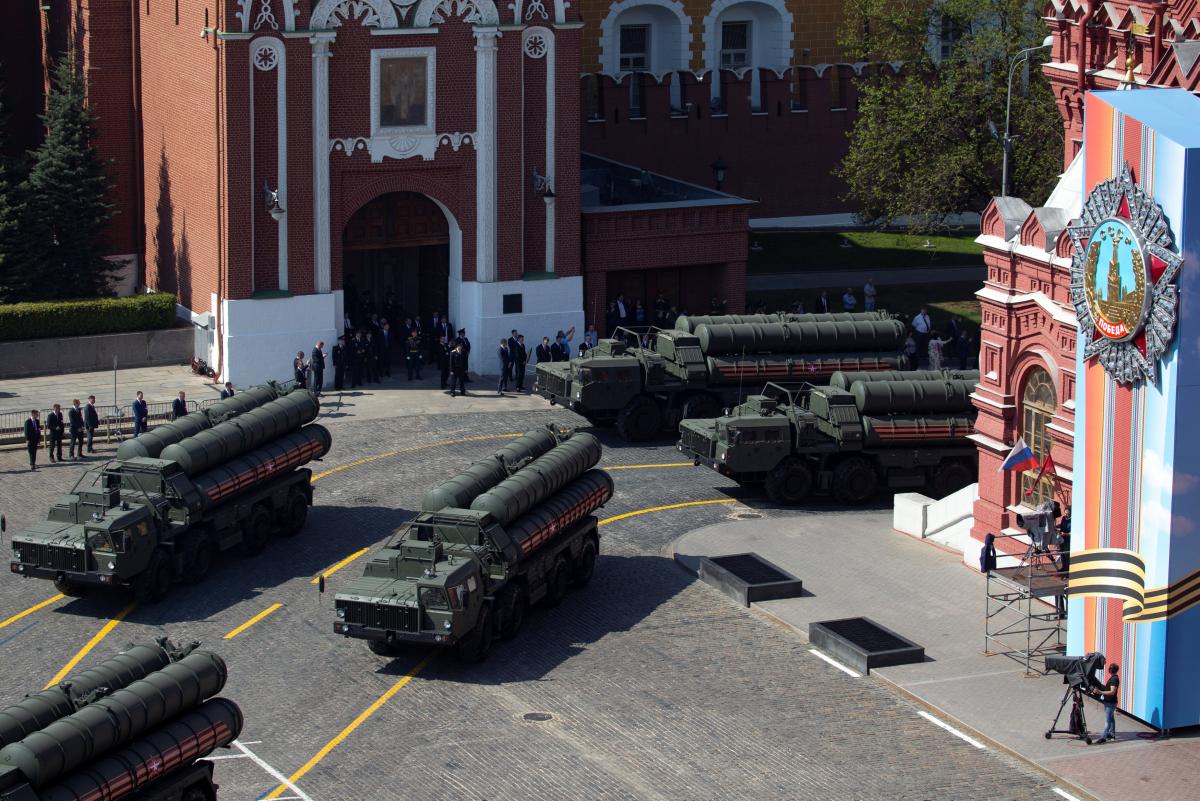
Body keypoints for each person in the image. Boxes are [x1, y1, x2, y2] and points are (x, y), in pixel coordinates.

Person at [1097, 663, 1120, 743]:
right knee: (1111, 719)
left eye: (1110, 668)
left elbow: (1112, 692)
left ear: (1110, 670)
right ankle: (1112, 734)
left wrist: (1100, 692)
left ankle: (1103, 737)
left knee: (1107, 720)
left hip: (1110, 703)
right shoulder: (1113, 678)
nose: (1109, 669)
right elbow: (1109, 689)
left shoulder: (1114, 679)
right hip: (1110, 702)